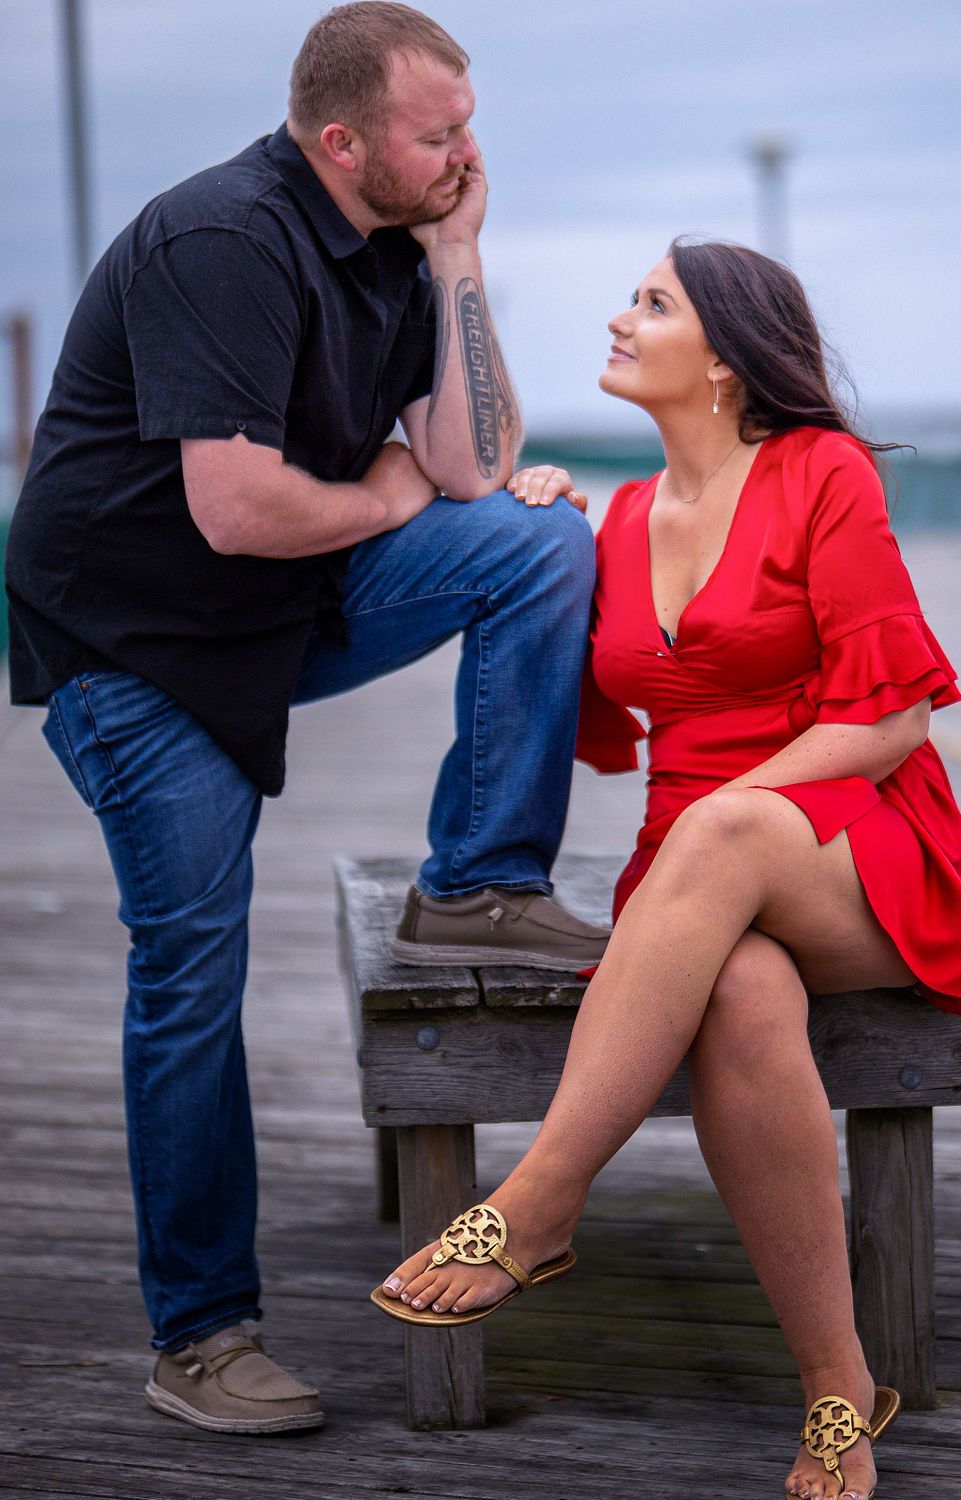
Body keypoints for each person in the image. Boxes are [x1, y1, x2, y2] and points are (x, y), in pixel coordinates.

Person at [4, 1, 609, 1435]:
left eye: (469, 123)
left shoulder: (407, 242)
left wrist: (460, 260)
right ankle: (201, 1335)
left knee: (536, 542)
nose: (466, 152)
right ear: (343, 142)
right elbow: (233, 507)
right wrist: (383, 500)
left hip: (276, 602)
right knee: (193, 964)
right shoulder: (227, 239)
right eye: (437, 134)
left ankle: (479, 883)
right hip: (134, 644)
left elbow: (474, 466)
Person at [373, 239, 961, 1500]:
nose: (618, 317)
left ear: (724, 356)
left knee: (720, 835)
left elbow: (893, 721)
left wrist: (733, 824)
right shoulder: (610, 521)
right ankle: (838, 1388)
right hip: (695, 880)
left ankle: (542, 1201)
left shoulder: (823, 475)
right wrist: (532, 520)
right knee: (744, 992)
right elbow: (594, 718)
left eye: (651, 303)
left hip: (858, 854)